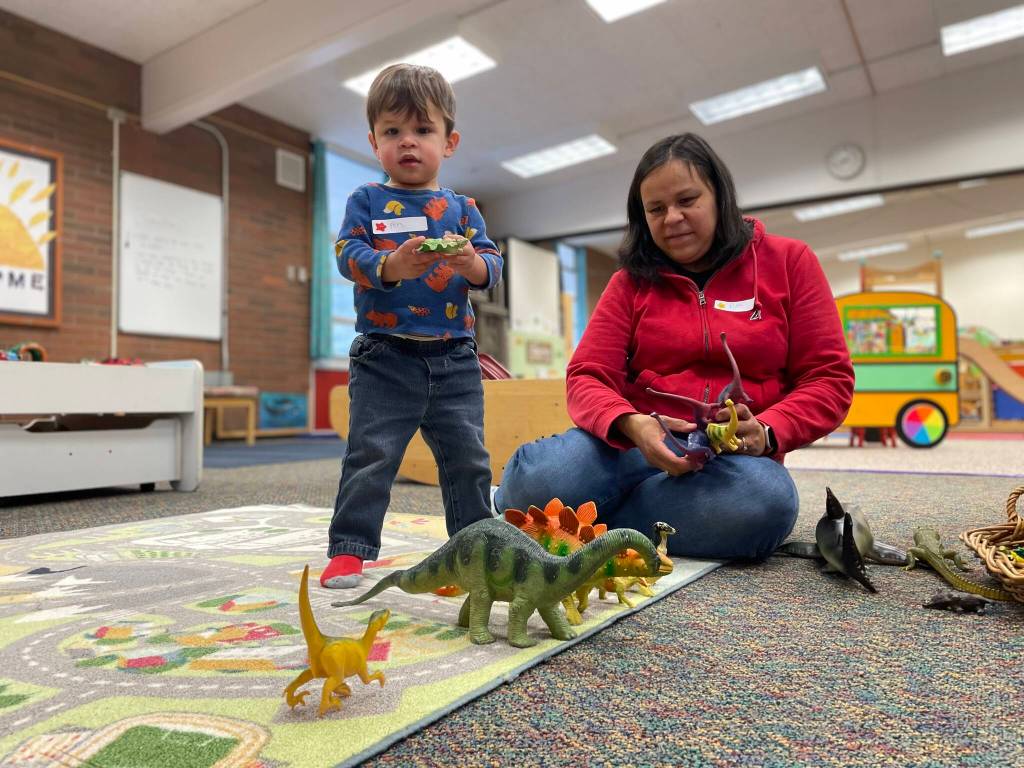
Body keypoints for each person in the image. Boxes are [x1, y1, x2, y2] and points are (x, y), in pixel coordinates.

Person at [494, 133, 854, 561]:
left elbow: (829, 379)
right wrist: (631, 424)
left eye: (688, 200)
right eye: (656, 209)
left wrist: (768, 431)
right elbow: (588, 375)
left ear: (720, 196)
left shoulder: (790, 262)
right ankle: (642, 515)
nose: (673, 218)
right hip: (631, 446)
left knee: (763, 505)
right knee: (537, 481)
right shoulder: (629, 282)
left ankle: (585, 521)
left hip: (730, 463)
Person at [322, 63, 504, 588]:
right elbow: (346, 252)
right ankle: (351, 549)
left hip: (454, 358)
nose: (408, 143)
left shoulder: (464, 210)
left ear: (449, 142)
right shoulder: (367, 200)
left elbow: (491, 266)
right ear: (375, 142)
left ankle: (474, 541)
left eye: (423, 130)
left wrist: (471, 265)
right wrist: (390, 266)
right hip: (385, 355)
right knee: (372, 454)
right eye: (392, 132)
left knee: (468, 456)